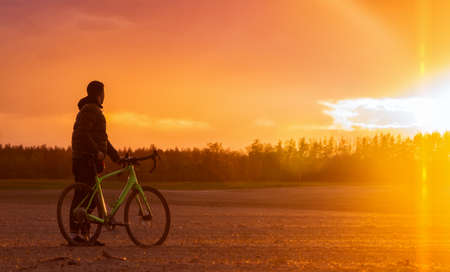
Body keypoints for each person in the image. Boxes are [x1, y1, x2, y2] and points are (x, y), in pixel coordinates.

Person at [70, 80, 121, 245]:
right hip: (85, 159)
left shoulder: (91, 110)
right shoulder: (91, 110)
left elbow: (103, 139)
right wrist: (97, 152)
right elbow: (84, 134)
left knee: (89, 198)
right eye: (104, 93)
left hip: (86, 158)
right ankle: (75, 235)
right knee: (83, 196)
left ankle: (85, 236)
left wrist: (116, 157)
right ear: (99, 94)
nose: (105, 96)